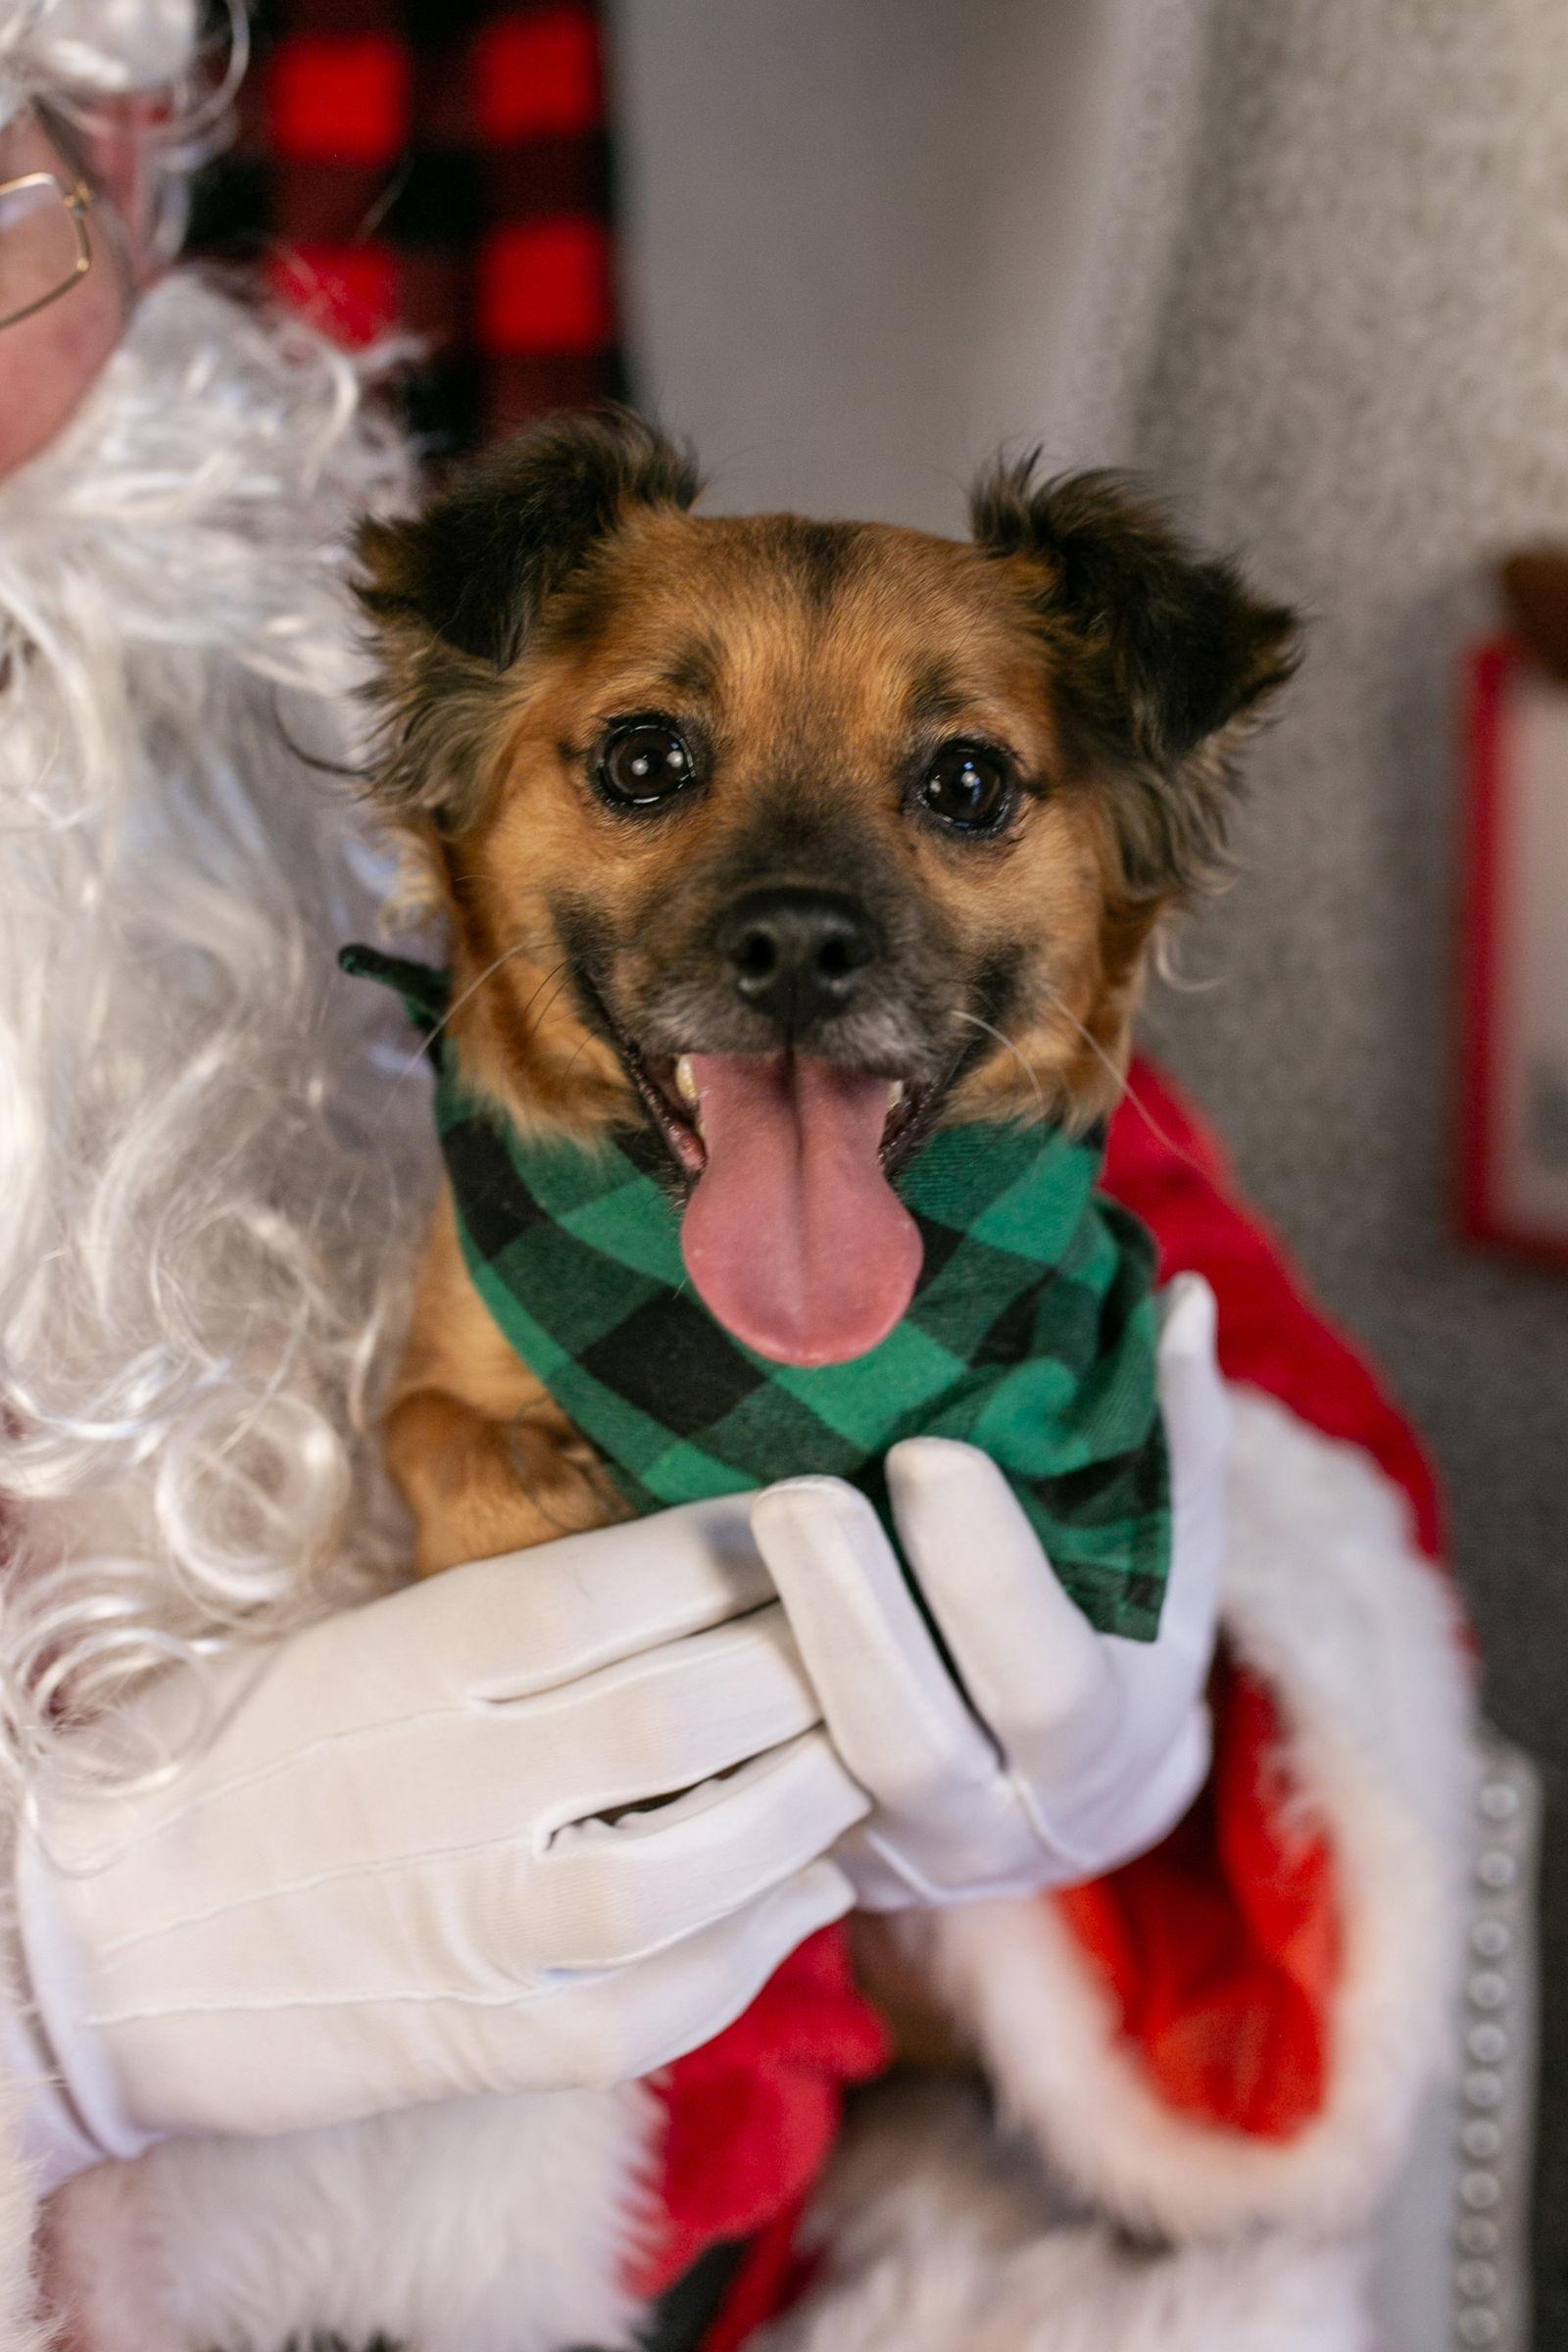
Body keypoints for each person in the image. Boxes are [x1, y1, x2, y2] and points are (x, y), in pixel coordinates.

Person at [0, 6, 1471, 2348]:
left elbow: (1285, 1461)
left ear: (129, 155)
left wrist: (1154, 1729)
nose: (796, 906)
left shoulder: (326, 675)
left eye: (7, 203)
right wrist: (58, 2010)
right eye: (657, 762)